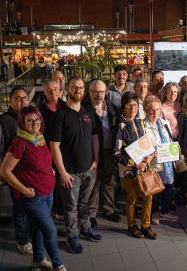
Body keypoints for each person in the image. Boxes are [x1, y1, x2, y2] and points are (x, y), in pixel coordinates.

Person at [0, 106, 67, 271]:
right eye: (29, 120)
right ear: (22, 122)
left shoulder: (39, 137)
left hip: (48, 191)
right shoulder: (19, 142)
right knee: (50, 230)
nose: (34, 123)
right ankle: (58, 265)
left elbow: (41, 160)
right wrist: (23, 190)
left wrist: (49, 170)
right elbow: (5, 171)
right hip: (33, 197)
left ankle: (37, 260)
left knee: (39, 228)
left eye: (37, 119)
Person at [50, 76, 102, 254]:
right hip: (70, 172)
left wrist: (95, 160)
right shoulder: (60, 115)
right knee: (71, 207)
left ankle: (85, 228)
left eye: (80, 88)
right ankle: (72, 236)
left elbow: (94, 137)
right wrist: (62, 172)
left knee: (85, 203)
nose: (78, 91)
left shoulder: (88, 112)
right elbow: (54, 146)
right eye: (74, 88)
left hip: (89, 169)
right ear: (67, 90)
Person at [0, 86, 32, 255]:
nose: (21, 101)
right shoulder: (3, 120)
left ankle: (32, 234)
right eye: (17, 98)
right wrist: (4, 171)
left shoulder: (32, 117)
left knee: (32, 204)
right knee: (20, 207)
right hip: (14, 173)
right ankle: (22, 240)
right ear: (11, 100)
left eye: (24, 98)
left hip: (31, 171)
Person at [114, 92, 157, 239]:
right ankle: (131, 225)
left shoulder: (141, 123)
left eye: (134, 105)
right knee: (131, 198)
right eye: (129, 105)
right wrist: (134, 163)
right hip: (128, 170)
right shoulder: (120, 125)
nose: (132, 108)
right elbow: (116, 153)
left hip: (144, 167)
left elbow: (147, 144)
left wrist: (150, 157)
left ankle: (146, 225)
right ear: (123, 107)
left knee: (148, 196)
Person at [85, 80, 120, 226]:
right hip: (93, 154)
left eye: (101, 91)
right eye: (95, 91)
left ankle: (108, 209)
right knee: (94, 183)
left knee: (110, 182)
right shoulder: (85, 110)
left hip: (110, 151)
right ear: (89, 92)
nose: (98, 95)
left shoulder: (112, 107)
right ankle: (91, 213)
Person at [144, 95, 179, 224]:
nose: (155, 113)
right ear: (146, 110)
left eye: (158, 109)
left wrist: (175, 149)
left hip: (168, 161)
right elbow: (143, 145)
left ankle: (164, 211)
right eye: (152, 110)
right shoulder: (143, 125)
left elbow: (169, 139)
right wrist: (153, 152)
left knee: (169, 186)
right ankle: (154, 213)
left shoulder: (165, 123)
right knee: (156, 189)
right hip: (154, 163)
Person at [38, 79, 65, 219]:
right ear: (44, 92)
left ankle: (61, 210)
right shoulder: (39, 111)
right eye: (49, 90)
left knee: (64, 181)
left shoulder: (66, 107)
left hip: (64, 153)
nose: (52, 92)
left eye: (55, 89)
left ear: (60, 91)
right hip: (47, 154)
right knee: (51, 183)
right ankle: (52, 211)